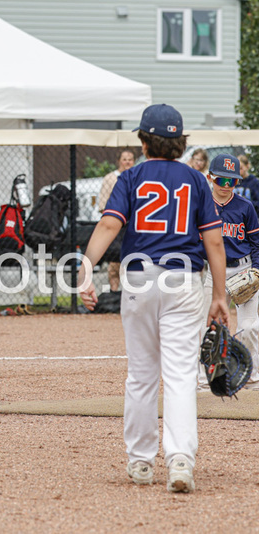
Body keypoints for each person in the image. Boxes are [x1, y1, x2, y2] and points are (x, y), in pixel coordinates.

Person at [79, 104, 228, 493]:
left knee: (142, 375)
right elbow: (213, 239)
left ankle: (141, 461)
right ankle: (180, 459)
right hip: (184, 280)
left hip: (140, 279)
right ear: (180, 143)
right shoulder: (196, 180)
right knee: (180, 375)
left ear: (144, 142)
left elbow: (110, 223)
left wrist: (85, 266)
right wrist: (219, 295)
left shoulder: (130, 176)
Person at [198, 154, 259, 388]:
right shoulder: (202, 207)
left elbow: (256, 242)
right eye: (220, 180)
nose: (225, 186)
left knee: (250, 327)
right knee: (209, 326)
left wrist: (257, 270)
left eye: (231, 182)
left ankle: (253, 380)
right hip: (216, 272)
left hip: (244, 270)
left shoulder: (245, 206)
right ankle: (206, 380)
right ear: (209, 177)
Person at [96, 149, 136, 292]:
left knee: (131, 260)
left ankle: (129, 292)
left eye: (130, 159)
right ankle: (114, 292)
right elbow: (103, 204)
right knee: (114, 263)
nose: (127, 162)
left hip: (133, 226)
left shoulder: (137, 177)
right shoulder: (110, 178)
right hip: (117, 225)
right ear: (119, 161)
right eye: (124, 159)